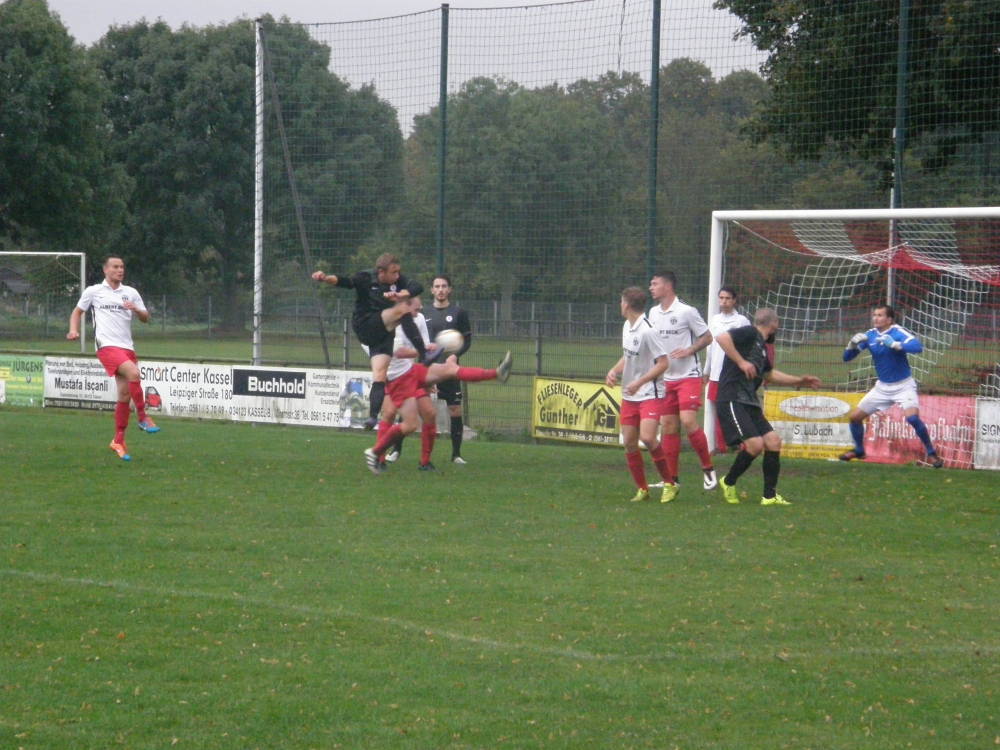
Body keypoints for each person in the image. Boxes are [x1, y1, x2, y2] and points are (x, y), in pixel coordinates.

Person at [363, 300, 513, 474]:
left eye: (419, 310)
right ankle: (377, 456)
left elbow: (422, 347)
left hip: (412, 371)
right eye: (414, 310)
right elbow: (399, 352)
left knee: (437, 397)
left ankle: (497, 373)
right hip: (396, 379)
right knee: (398, 419)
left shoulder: (416, 318)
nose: (417, 314)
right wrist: (434, 350)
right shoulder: (379, 327)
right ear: (402, 307)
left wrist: (429, 365)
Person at [313, 254, 437, 431]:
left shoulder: (399, 281)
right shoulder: (366, 278)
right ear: (381, 271)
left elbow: (418, 286)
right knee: (403, 309)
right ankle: (424, 355)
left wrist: (405, 292)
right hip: (366, 325)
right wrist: (325, 278)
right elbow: (345, 281)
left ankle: (372, 417)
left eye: (398, 272)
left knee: (379, 375)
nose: (397, 276)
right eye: (393, 272)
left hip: (383, 336)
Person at [713, 308, 821, 505]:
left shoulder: (760, 347)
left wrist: (799, 380)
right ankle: (728, 482)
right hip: (732, 397)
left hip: (748, 399)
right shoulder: (749, 332)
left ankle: (769, 497)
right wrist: (741, 362)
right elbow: (721, 338)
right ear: (774, 326)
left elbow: (769, 375)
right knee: (755, 445)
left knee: (773, 442)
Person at [66, 256, 160, 461]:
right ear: (105, 270)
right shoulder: (94, 291)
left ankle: (118, 441)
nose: (120, 270)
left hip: (127, 348)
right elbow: (77, 311)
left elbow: (146, 319)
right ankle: (143, 418)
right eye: (115, 267)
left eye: (122, 267)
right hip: (106, 347)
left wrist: (135, 310)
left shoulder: (130, 293)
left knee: (124, 396)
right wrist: (73, 330)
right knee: (134, 373)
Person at [839, 304, 944, 468]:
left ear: (889, 319)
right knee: (854, 418)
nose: (876, 318)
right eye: (874, 314)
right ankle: (859, 450)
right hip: (882, 388)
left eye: (880, 315)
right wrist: (851, 346)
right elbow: (846, 358)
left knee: (913, 418)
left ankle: (931, 454)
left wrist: (895, 344)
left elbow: (917, 347)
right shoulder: (869, 335)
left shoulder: (897, 332)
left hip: (903, 386)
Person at [605, 287, 678, 503]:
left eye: (621, 302)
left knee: (647, 438)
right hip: (630, 395)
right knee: (629, 442)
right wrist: (614, 370)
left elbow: (663, 363)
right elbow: (627, 355)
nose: (620, 305)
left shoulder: (648, 331)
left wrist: (640, 381)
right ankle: (642, 489)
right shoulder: (628, 326)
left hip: (650, 393)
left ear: (626, 305)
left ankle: (669, 484)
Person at [647, 271, 717, 492]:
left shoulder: (687, 311)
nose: (651, 287)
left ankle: (708, 470)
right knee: (667, 426)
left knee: (687, 421)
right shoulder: (653, 313)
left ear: (667, 287)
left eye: (654, 284)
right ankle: (672, 480)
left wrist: (690, 349)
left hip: (688, 376)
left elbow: (707, 337)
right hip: (666, 379)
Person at [423, 275, 473, 464]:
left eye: (444, 286)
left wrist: (454, 355)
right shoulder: (423, 313)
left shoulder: (459, 313)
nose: (441, 290)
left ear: (449, 289)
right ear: (432, 290)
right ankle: (396, 450)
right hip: (427, 369)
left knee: (454, 409)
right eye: (437, 286)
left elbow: (467, 340)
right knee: (412, 408)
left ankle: (456, 455)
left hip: (450, 369)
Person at [703, 285, 751, 455]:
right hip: (716, 373)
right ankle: (721, 447)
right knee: (718, 410)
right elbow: (710, 348)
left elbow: (747, 347)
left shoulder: (741, 321)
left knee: (738, 408)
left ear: (734, 300)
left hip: (733, 374)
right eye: (721, 298)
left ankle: (745, 445)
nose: (723, 302)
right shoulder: (714, 320)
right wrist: (706, 370)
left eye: (727, 298)